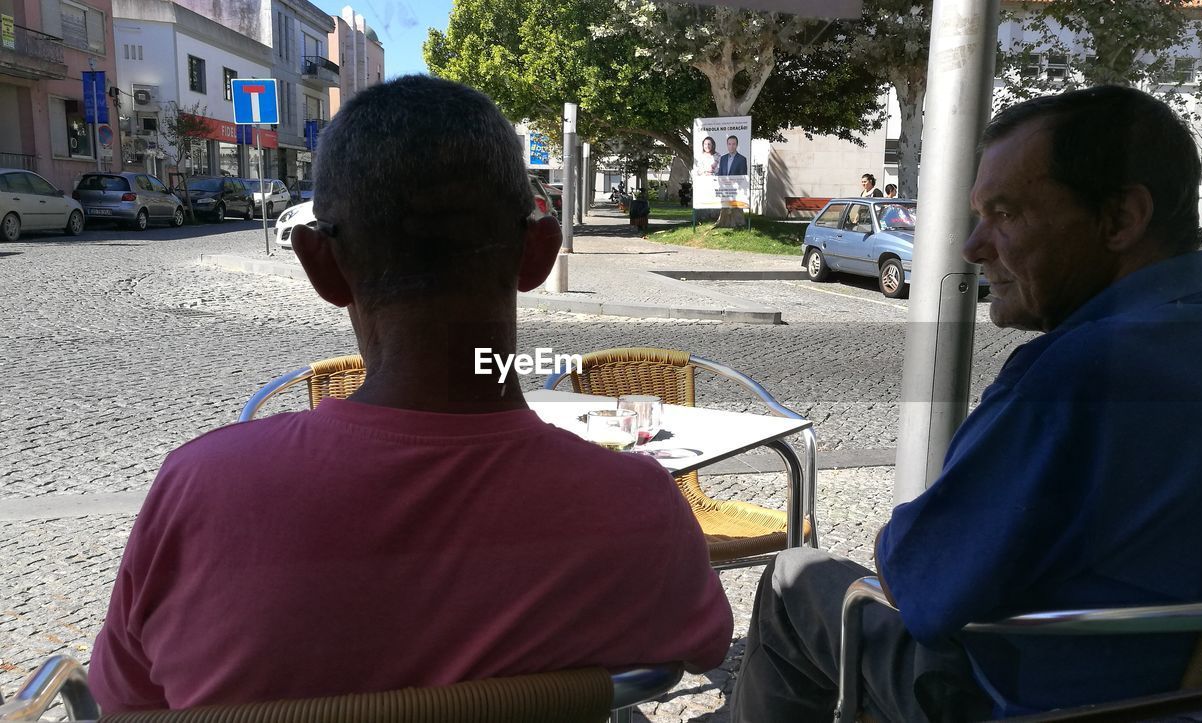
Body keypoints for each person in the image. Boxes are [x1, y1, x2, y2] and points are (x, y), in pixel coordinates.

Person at [88, 75, 733, 714]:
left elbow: (125, 703)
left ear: (320, 266)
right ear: (538, 255)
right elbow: (705, 645)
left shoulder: (199, 493)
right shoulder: (637, 509)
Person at [730, 85, 1202, 722]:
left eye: (1006, 213)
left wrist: (906, 537)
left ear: (1120, 219)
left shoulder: (1072, 375)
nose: (972, 246)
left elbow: (924, 588)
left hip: (1030, 700)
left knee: (793, 577)